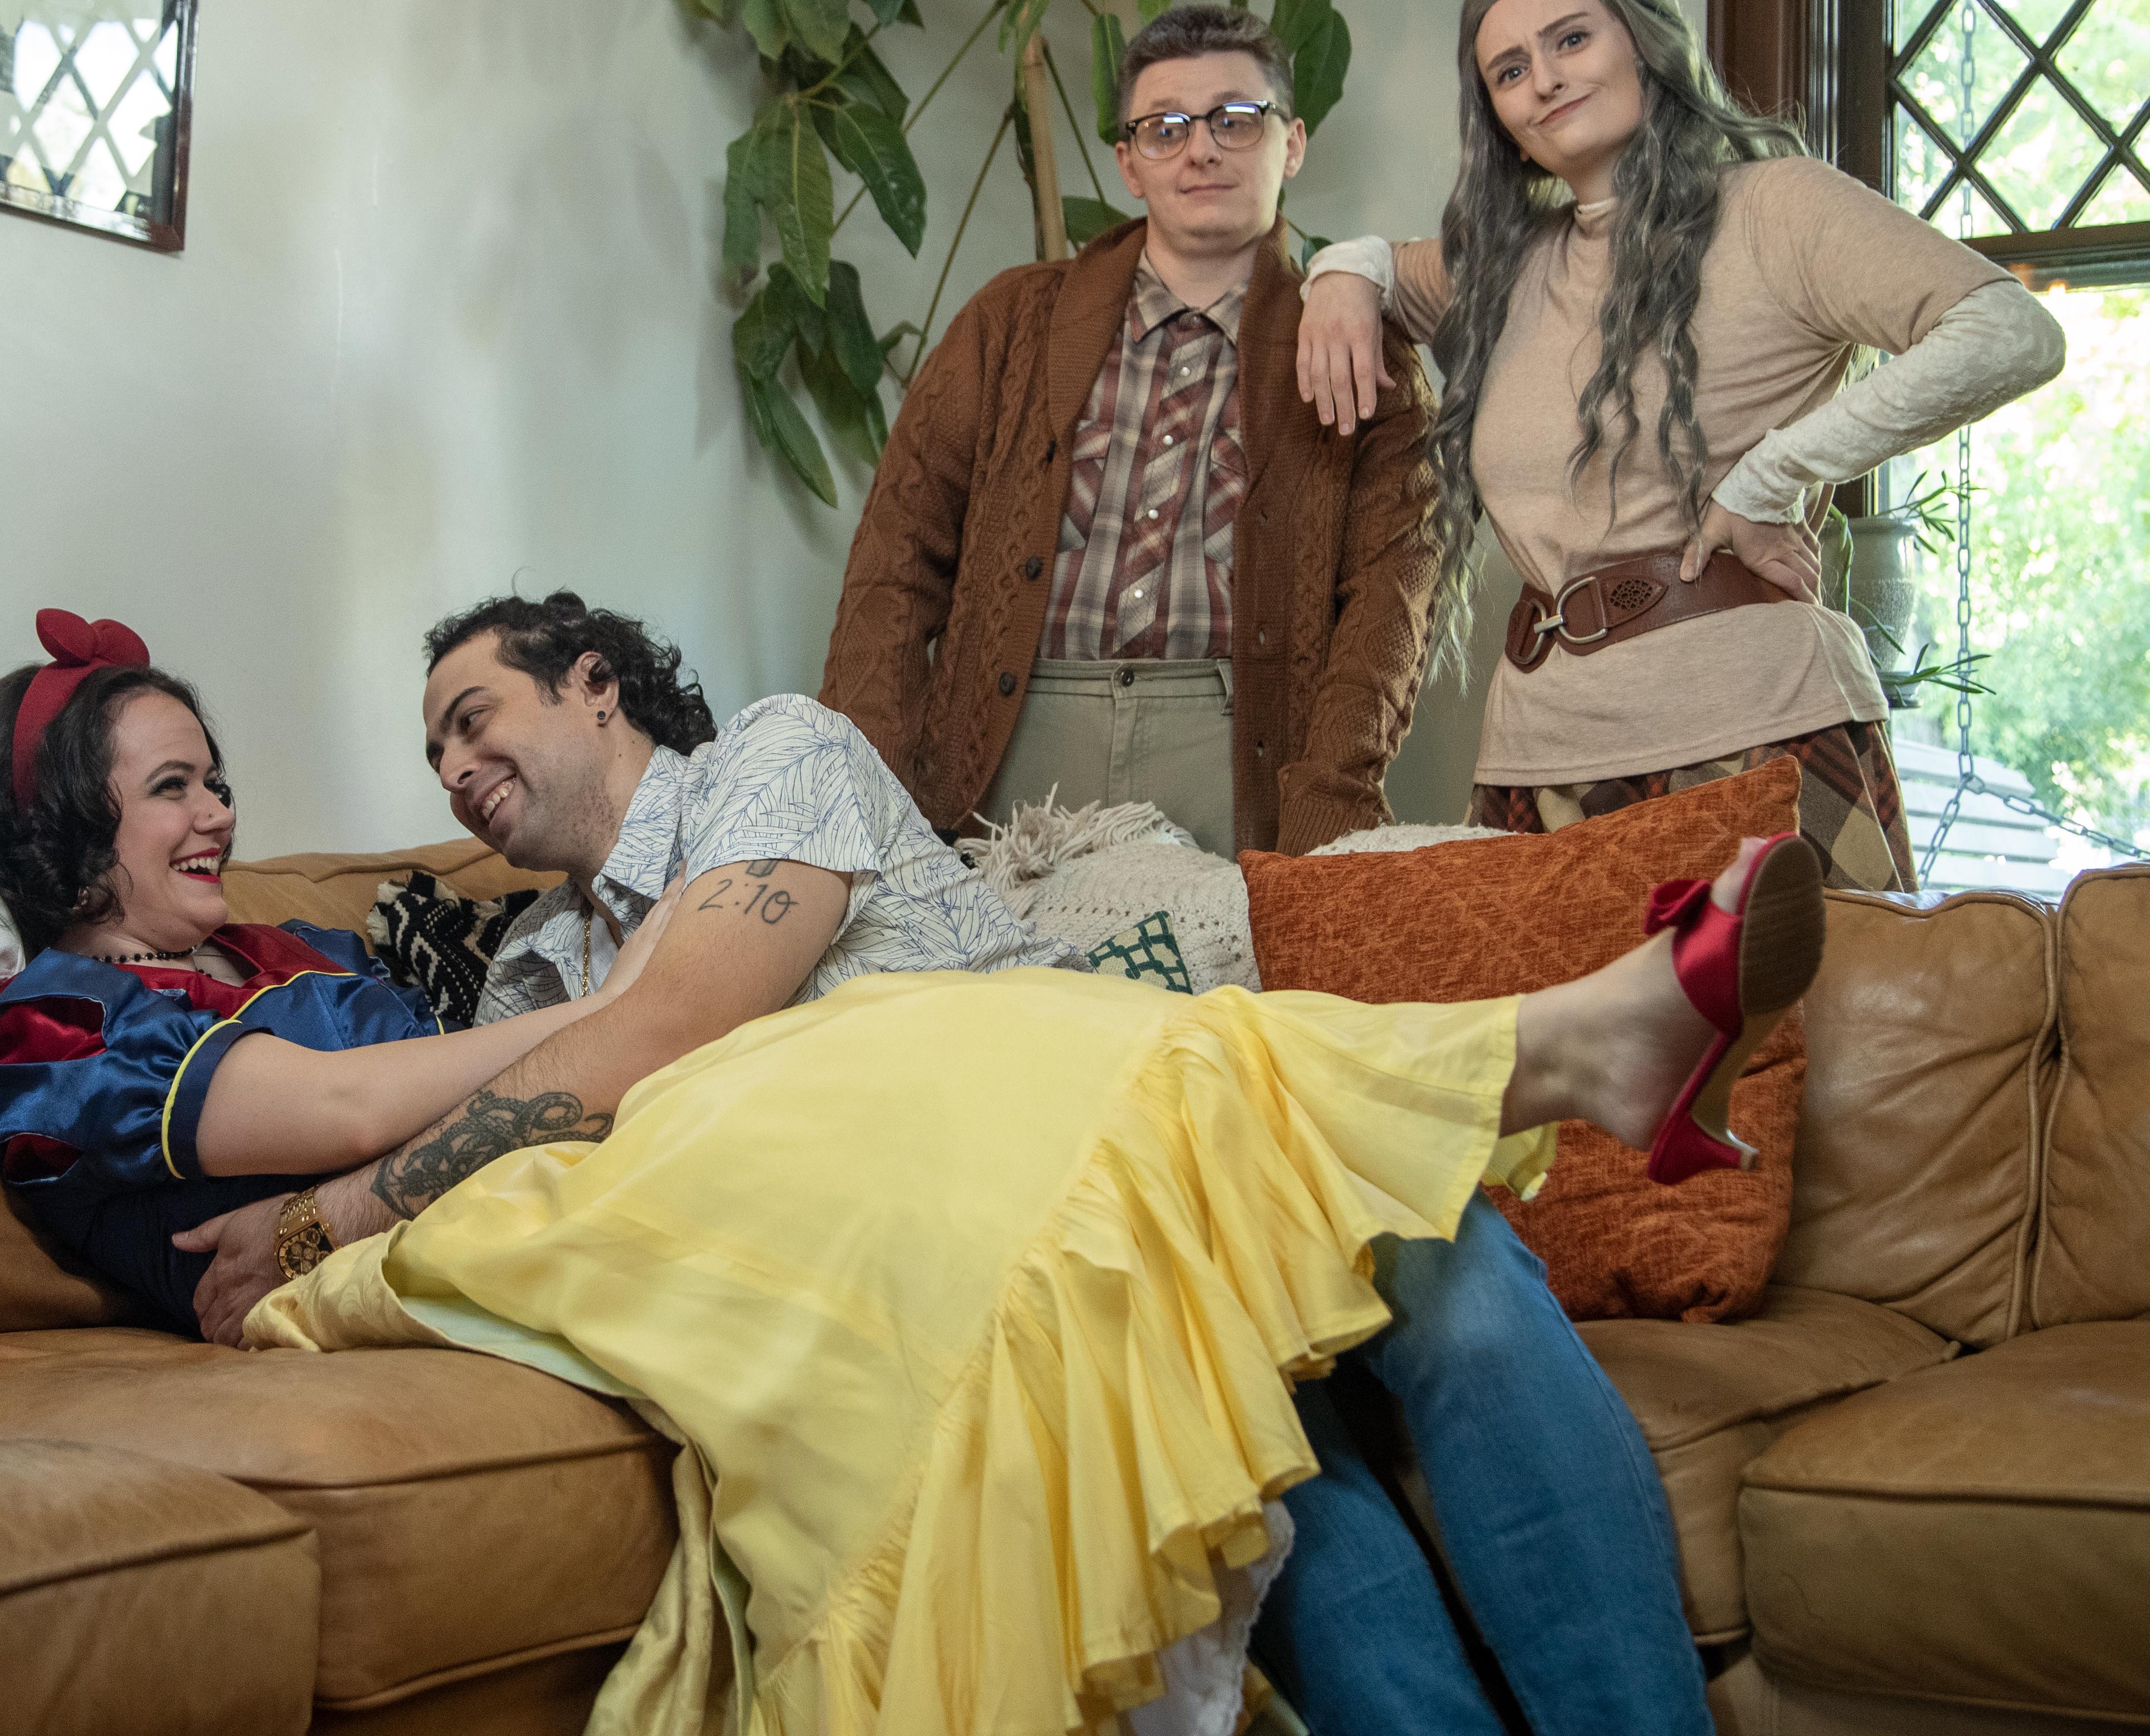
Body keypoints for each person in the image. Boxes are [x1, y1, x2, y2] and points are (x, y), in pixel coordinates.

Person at [179, 590, 1739, 1732]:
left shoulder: (766, 761)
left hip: (1117, 1121)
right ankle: (1561, 1047)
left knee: (1452, 1286)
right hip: (978, 1263)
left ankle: (1556, 1049)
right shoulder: (529, 976)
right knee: (1251, 1480)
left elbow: (660, 1034)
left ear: (597, 685)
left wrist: (328, 1222)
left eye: (474, 716)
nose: (451, 767)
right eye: (432, 752)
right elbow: (565, 1146)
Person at [1295, 0, 2067, 892]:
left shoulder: (1777, 206)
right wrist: (1340, 275)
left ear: (1647, 47)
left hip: (1758, 727)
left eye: (1570, 39)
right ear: (1498, 120)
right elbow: (1371, 261)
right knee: (1542, 1043)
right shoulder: (1503, 264)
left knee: (1814, 1039)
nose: (1544, 79)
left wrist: (1769, 475)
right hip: (1542, 753)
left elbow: (2009, 331)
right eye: (1508, 71)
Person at [0, 609, 678, 1329]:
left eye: (214, 784)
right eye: (173, 788)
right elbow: (350, 1108)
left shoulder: (289, 950)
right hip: (373, 1289)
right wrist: (617, 1004)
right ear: (64, 826)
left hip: (516, 1207)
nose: (220, 815)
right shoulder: (55, 1032)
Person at [820, 3, 1436, 863]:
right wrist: (867, 785)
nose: (1201, 150)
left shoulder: (1360, 347)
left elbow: (1388, 606)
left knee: (1221, 997)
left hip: (1237, 753)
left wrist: (1327, 801)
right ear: (1127, 164)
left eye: (1235, 120)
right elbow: (894, 564)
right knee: (996, 998)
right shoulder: (1010, 323)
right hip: (1012, 744)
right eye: (1165, 128)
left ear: (1290, 144)